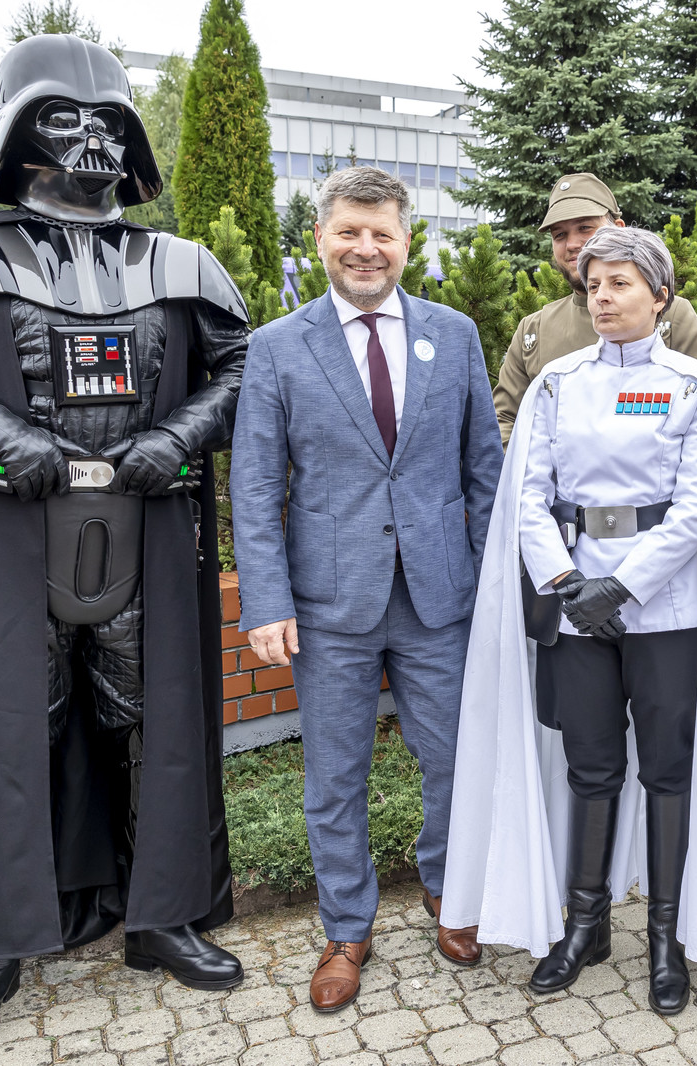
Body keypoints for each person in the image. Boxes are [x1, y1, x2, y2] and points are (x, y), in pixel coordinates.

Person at [0, 35, 246, 1053]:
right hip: (2, 535)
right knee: (4, 729)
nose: (91, 139)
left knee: (147, 717)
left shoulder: (182, 264)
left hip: (144, 523)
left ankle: (161, 914)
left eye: (109, 121)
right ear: (18, 128)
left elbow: (243, 369)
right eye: (63, 116)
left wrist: (177, 437)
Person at [441, 227, 697, 1016]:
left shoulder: (692, 387)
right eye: (594, 285)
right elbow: (527, 494)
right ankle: (585, 926)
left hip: (666, 610)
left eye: (620, 283)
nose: (602, 297)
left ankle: (665, 940)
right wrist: (566, 581)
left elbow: (696, 507)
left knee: (666, 769)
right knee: (590, 765)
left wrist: (621, 587)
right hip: (575, 603)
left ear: (660, 297)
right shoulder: (556, 385)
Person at [230, 166, 502, 1011]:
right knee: (336, 777)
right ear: (320, 238)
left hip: (439, 600)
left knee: (455, 760)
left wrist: (494, 586)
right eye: (349, 231)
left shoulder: (453, 334)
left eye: (382, 233)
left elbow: (484, 471)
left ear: (406, 242)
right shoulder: (279, 346)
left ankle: (449, 891)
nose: (366, 248)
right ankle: (346, 928)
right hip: (329, 607)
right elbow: (255, 484)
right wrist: (267, 601)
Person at [493, 173, 697, 444]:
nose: (572, 244)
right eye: (560, 235)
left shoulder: (672, 314)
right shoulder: (534, 329)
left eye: (585, 228)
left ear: (619, 229)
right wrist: (542, 466)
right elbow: (504, 421)